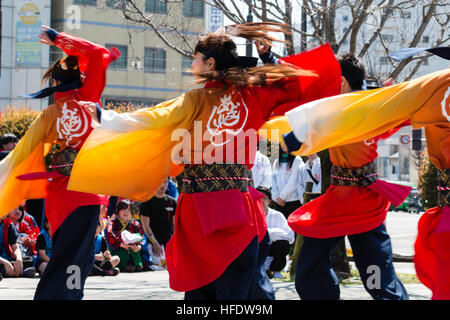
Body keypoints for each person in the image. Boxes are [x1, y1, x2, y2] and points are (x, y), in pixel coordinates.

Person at [68, 23, 342, 299]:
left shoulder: (198, 99)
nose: (192, 64)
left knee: (202, 296)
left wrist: (106, 117)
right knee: (238, 294)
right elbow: (298, 83)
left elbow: (155, 118)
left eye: (196, 58)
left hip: (201, 215)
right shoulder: (253, 96)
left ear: (210, 62)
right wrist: (270, 57)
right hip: (240, 211)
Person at [278, 52, 449, 299]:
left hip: (363, 204)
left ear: (342, 82)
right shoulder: (352, 106)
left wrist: (295, 137)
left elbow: (325, 122)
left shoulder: (365, 108)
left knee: (375, 275)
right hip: (339, 200)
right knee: (309, 266)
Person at [0, 26, 119, 299]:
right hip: (87, 194)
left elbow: (20, 155)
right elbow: (97, 53)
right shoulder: (90, 100)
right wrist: (59, 39)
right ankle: (61, 296)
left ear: (54, 84)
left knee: (68, 255)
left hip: (59, 197)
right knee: (77, 257)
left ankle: (65, 296)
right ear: (81, 78)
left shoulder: (49, 116)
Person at [257, 187, 294, 279]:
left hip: (272, 249)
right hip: (257, 247)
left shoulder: (277, 215)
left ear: (269, 201)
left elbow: (290, 235)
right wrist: (275, 234)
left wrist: (267, 233)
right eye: (258, 198)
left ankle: (276, 270)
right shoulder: (250, 215)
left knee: (283, 244)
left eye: (264, 198)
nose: (261, 201)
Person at [106, 199, 144, 272]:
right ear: (118, 211)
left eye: (128, 210)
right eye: (123, 209)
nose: (126, 212)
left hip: (131, 247)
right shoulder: (113, 222)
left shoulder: (134, 223)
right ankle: (126, 265)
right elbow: (109, 234)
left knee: (136, 248)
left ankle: (137, 264)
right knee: (122, 253)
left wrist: (139, 245)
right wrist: (121, 244)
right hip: (118, 247)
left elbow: (140, 234)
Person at [140, 179, 175, 254]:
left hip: (170, 244)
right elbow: (145, 225)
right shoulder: (146, 202)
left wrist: (175, 242)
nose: (162, 185)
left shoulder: (172, 202)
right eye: (160, 182)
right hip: (152, 245)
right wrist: (154, 242)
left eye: (165, 182)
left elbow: (175, 225)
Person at [0, 209, 35, 278]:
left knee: (29, 260)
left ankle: (11, 271)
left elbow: (15, 246)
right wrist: (5, 263)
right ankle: (18, 272)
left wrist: (19, 260)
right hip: (2, 261)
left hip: (7, 258)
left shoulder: (8, 224)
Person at [271, 145, 304, 219]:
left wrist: (282, 197)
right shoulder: (277, 161)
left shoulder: (297, 160)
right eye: (281, 142)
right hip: (279, 202)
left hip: (293, 200)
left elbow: (293, 181)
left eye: (286, 142)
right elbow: (273, 180)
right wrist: (276, 197)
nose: (283, 145)